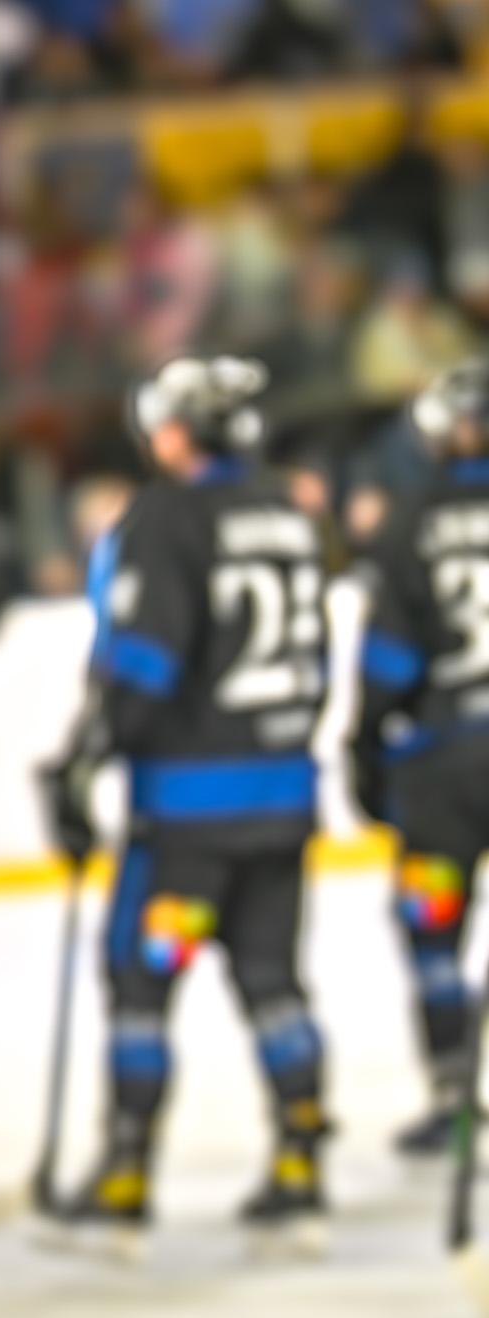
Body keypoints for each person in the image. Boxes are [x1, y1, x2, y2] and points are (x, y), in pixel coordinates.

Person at [55, 357, 332, 1249]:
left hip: (185, 822)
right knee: (272, 979)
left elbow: (143, 666)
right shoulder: (286, 514)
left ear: (182, 431)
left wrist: (84, 759)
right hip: (283, 804)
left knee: (143, 979)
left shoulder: (166, 516)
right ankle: (300, 1157)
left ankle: (128, 1169)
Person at [355, 359, 489, 1157]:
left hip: (445, 769)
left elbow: (389, 664)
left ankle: (452, 1094)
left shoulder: (410, 521)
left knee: (434, 924)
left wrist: (363, 747)